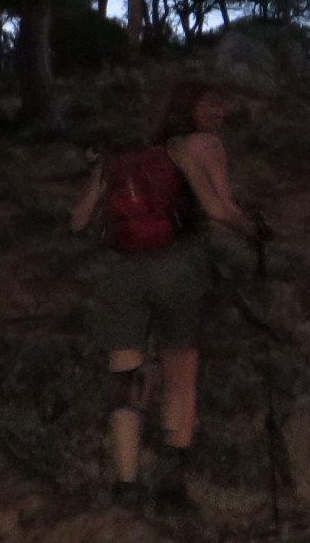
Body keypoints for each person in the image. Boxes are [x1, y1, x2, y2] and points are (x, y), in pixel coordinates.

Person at [70, 81, 262, 514]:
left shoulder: (117, 159)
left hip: (121, 273)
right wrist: (256, 230)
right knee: (181, 374)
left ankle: (126, 486)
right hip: (178, 267)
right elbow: (218, 210)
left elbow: (78, 221)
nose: (220, 111)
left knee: (125, 374)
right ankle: (172, 488)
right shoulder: (181, 150)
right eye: (211, 103)